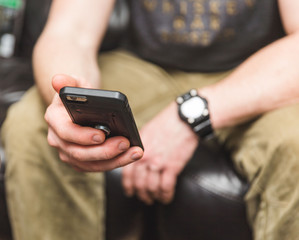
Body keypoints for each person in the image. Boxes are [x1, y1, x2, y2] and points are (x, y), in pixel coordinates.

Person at [2, 0, 299, 239]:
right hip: (143, 68)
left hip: (261, 68)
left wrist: (189, 115)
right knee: (33, 125)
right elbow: (69, 31)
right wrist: (71, 99)